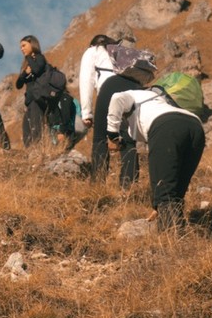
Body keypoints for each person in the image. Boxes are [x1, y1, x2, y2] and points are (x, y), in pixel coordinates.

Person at [106, 86, 205, 231]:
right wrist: (157, 206)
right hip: (195, 126)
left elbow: (116, 97)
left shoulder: (131, 94)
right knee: (177, 189)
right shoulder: (157, 100)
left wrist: (112, 134)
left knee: (164, 189)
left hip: (166, 126)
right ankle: (177, 231)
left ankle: (168, 241)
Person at [79, 34, 145, 187]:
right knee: (128, 138)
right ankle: (128, 186)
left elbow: (86, 81)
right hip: (134, 87)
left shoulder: (92, 51)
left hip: (111, 87)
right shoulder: (119, 53)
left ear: (93, 44)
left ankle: (97, 184)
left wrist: (86, 112)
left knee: (100, 138)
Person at [15, 35, 49, 146]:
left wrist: (29, 57)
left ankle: (37, 152)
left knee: (36, 127)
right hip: (29, 101)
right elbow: (18, 84)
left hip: (38, 99)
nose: (22, 49)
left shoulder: (39, 58)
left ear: (32, 44)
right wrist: (25, 73)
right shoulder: (26, 64)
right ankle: (30, 153)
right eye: (21, 47)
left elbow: (37, 69)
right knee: (27, 129)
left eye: (24, 45)